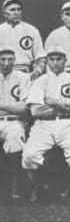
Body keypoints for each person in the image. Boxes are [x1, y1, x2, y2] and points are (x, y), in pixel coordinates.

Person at [22, 46, 70, 202]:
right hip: (43, 125)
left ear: (65, 60)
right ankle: (37, 186)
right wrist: (65, 106)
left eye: (59, 59)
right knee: (29, 155)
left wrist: (52, 102)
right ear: (47, 61)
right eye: (52, 59)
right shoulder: (40, 81)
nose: (56, 63)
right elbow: (36, 111)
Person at [0, 46, 30, 201]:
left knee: (15, 137)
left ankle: (15, 187)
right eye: (2, 59)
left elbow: (24, 108)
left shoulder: (22, 77)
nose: (6, 63)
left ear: (14, 60)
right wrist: (11, 106)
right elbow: (16, 106)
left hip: (15, 121)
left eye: (10, 59)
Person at [0, 0, 45, 80]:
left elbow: (40, 57)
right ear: (5, 13)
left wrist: (36, 73)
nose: (16, 12)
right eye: (12, 10)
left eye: (18, 9)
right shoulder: (1, 30)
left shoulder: (31, 30)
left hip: (25, 73)